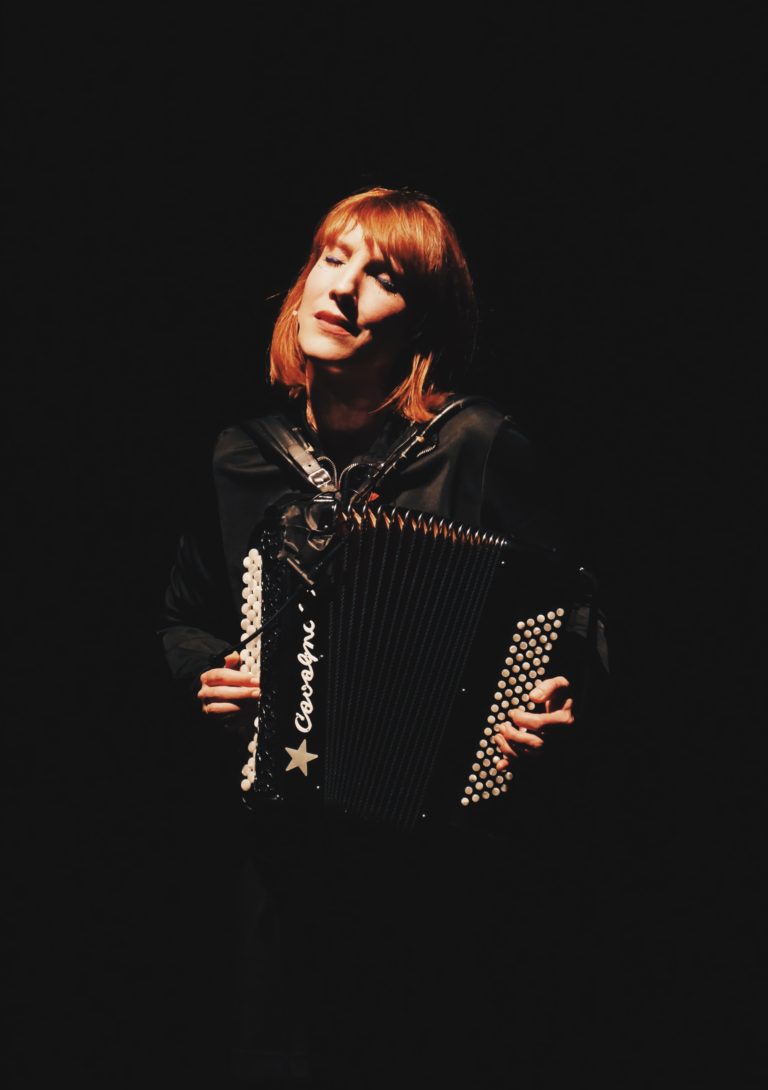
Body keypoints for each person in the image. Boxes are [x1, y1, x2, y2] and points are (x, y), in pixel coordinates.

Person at [158, 186, 609, 1088]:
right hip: (281, 872)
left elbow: (572, 616)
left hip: (439, 880)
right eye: (332, 260)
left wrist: (558, 695)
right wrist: (212, 673)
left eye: (384, 276)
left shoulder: (478, 445)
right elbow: (182, 618)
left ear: (422, 323)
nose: (344, 288)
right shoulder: (239, 458)